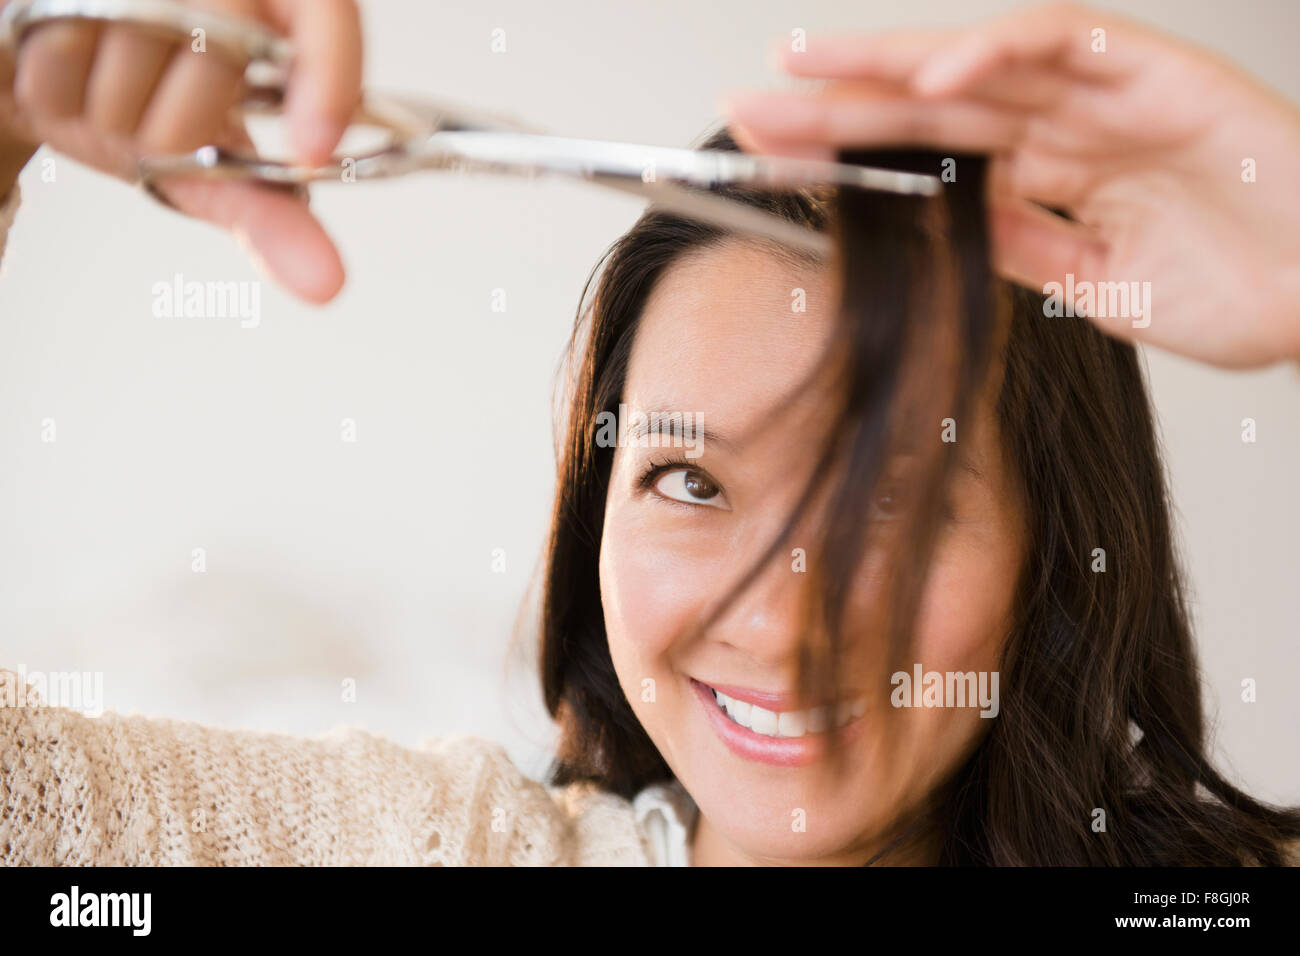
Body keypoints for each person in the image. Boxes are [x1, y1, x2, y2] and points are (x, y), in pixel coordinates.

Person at [0, 1, 1296, 866]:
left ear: (1052, 543)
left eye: (891, 501)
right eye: (689, 477)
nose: (784, 624)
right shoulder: (447, 845)